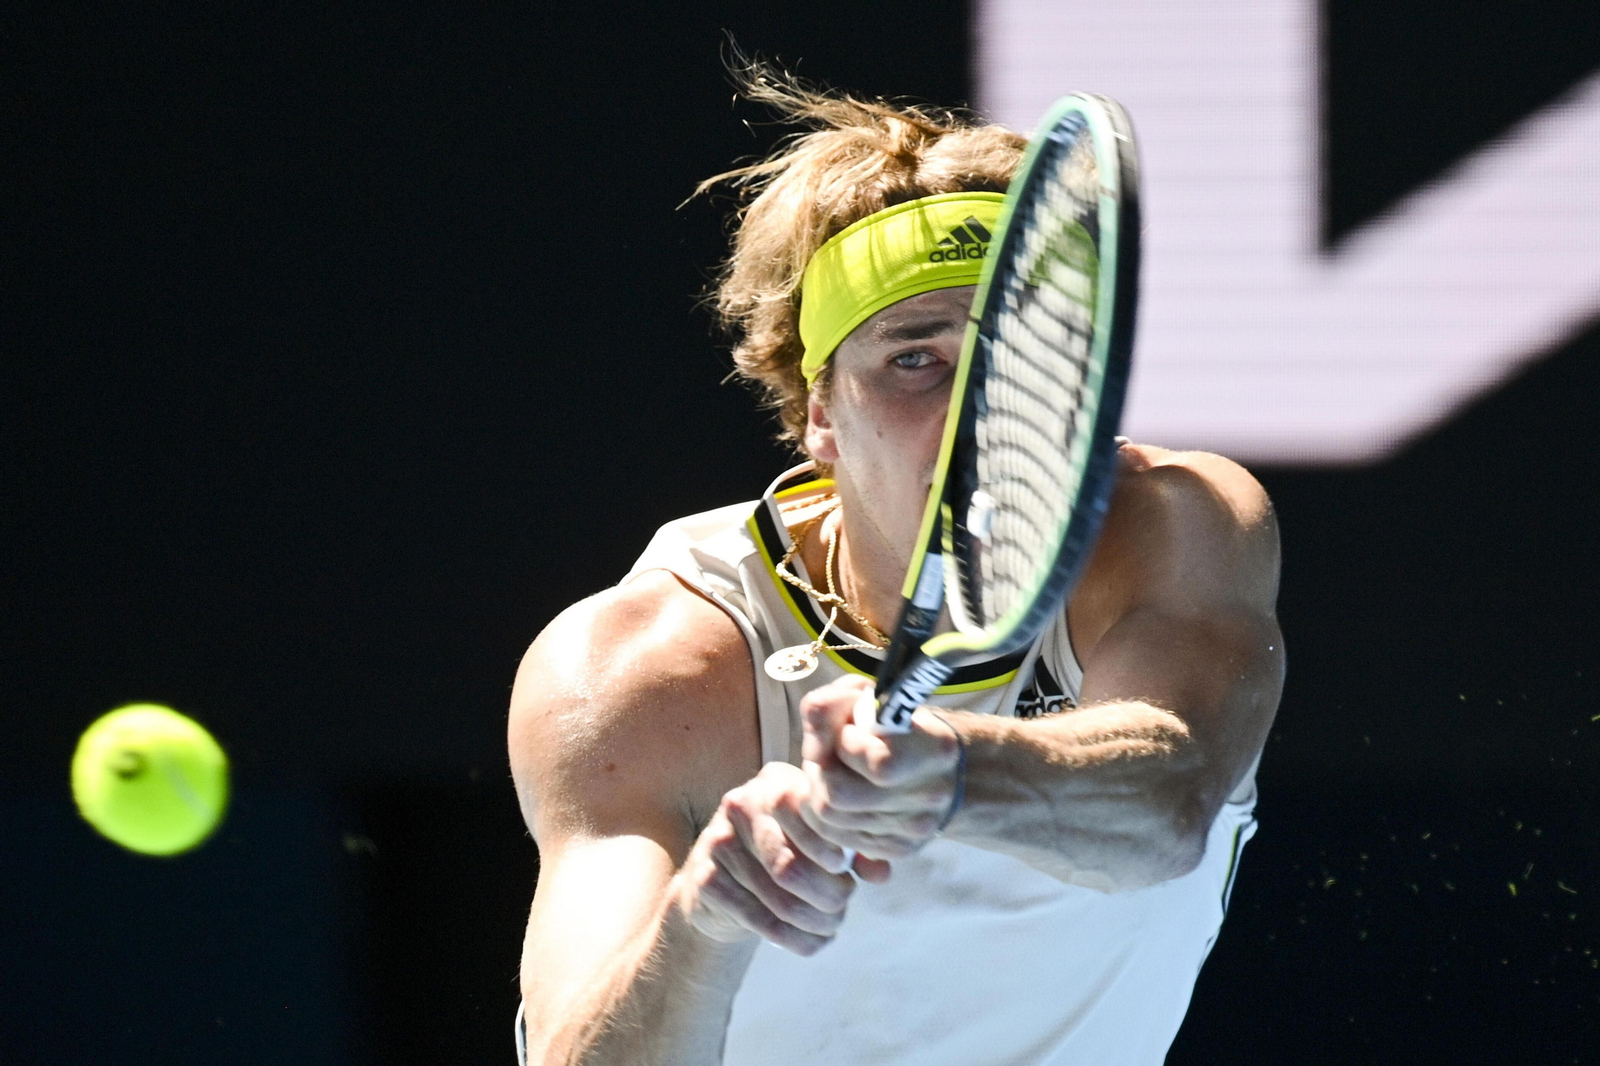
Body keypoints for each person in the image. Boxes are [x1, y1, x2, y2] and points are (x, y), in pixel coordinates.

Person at [507, 70, 1284, 1066]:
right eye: (915, 358)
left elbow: (1169, 798)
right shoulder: (639, 671)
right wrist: (704, 921)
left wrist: (951, 773)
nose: (977, 412)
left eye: (1016, 357)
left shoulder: (1178, 525)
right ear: (822, 415)